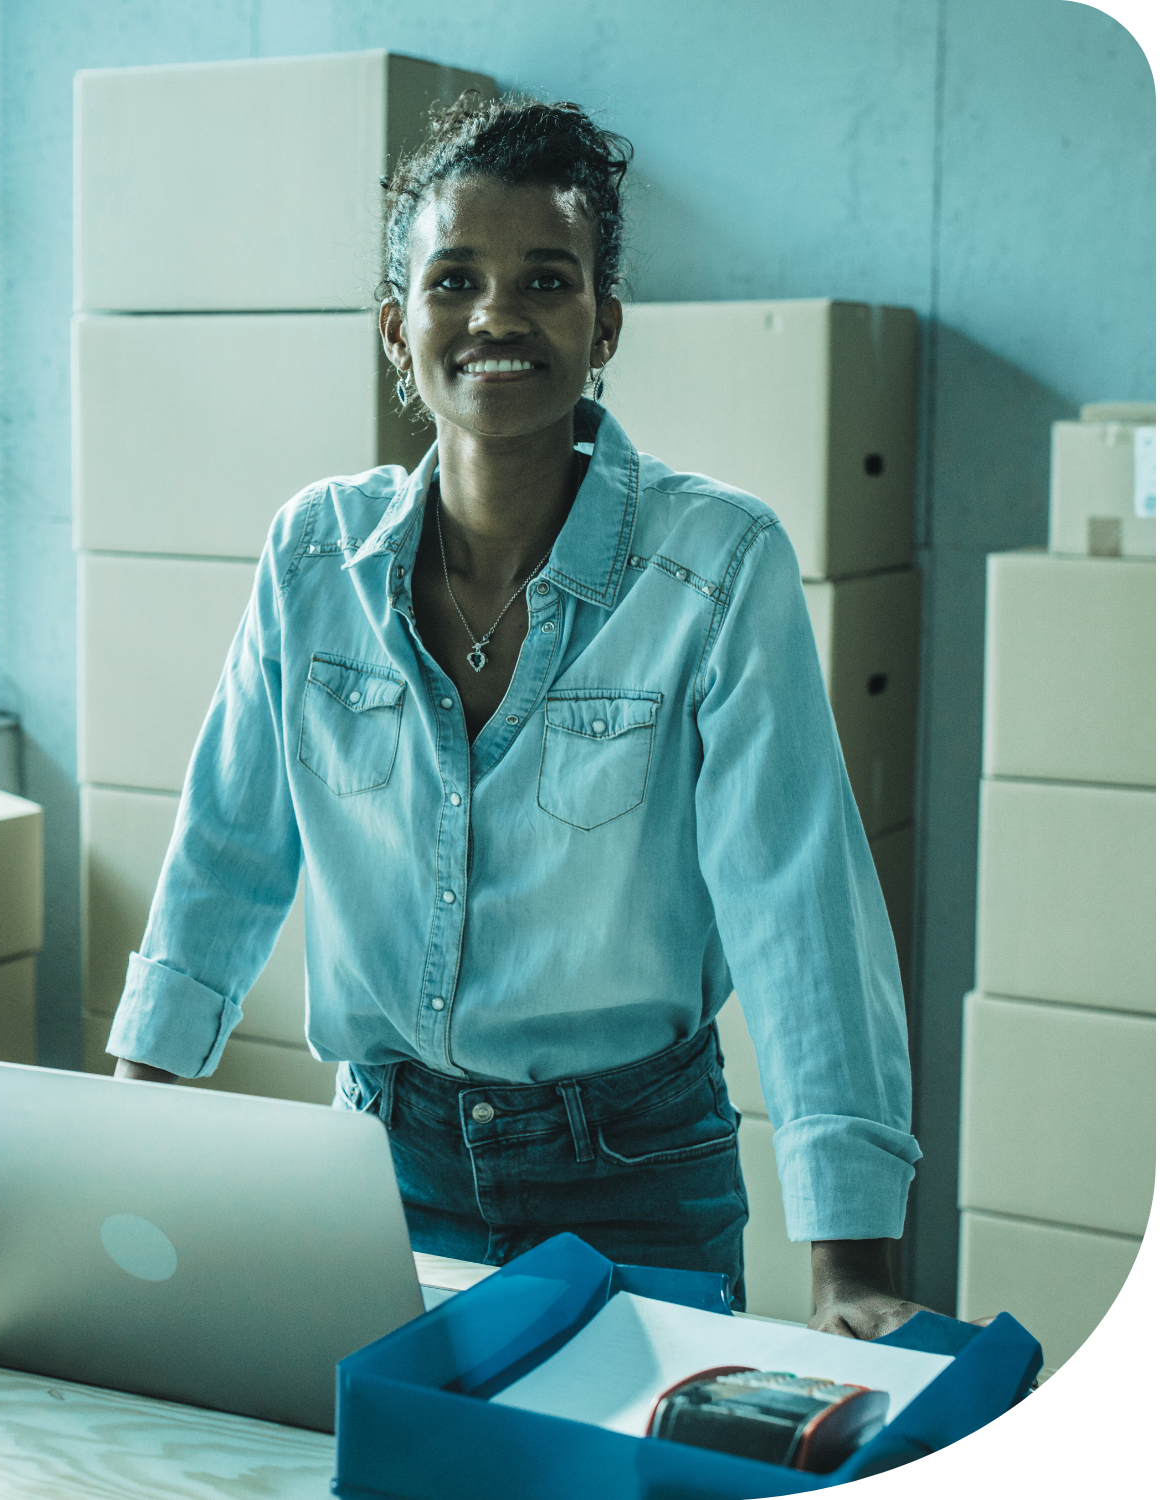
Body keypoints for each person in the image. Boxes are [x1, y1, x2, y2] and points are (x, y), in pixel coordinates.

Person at [104, 93, 936, 1340]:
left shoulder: (714, 564)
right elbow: (224, 854)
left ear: (601, 324)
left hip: (635, 1179)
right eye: (454, 281)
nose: (496, 314)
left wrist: (849, 1268)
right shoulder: (311, 554)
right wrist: (119, 1138)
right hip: (383, 1171)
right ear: (397, 330)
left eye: (544, 280)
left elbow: (799, 909)